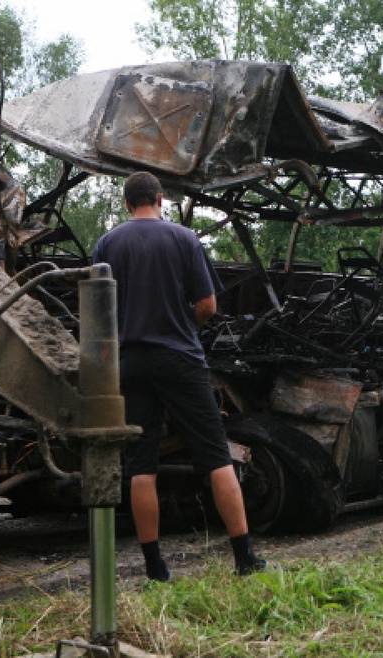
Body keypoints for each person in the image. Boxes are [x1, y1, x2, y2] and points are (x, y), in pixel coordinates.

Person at [93, 172, 267, 581]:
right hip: (180, 359)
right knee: (215, 456)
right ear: (160, 198)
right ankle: (244, 558)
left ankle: (155, 568)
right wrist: (183, 325)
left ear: (126, 204)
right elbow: (207, 305)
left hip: (131, 362)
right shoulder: (184, 239)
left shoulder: (107, 244)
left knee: (141, 465)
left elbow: (99, 311)